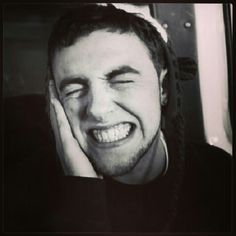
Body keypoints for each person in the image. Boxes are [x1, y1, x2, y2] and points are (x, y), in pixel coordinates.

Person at [5, 3, 231, 233]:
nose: (98, 110)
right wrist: (83, 197)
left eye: (122, 80)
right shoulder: (23, 193)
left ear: (163, 89)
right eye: (73, 90)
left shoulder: (220, 177)